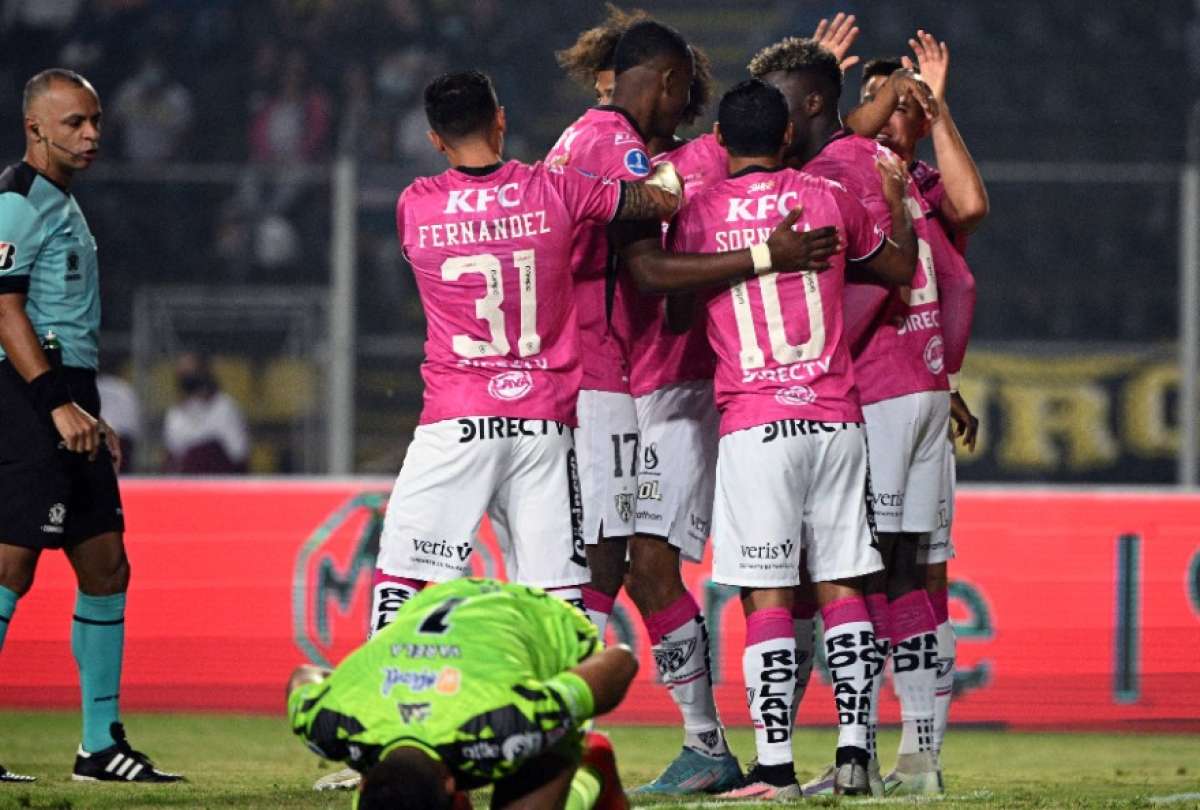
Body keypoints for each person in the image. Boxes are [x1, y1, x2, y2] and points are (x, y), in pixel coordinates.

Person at [666, 78, 914, 800]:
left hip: (756, 424)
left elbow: (679, 313)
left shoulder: (701, 212)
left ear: (717, 142)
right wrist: (896, 199)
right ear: (783, 139)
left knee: (767, 593)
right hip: (836, 418)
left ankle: (774, 768)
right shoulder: (826, 197)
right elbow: (896, 267)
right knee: (843, 583)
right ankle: (856, 755)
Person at [747, 36, 945, 796]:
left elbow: (866, 286)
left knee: (857, 576)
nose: (777, 125)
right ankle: (912, 758)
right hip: (915, 379)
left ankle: (874, 756)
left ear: (815, 107)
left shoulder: (835, 172)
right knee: (895, 574)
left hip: (874, 390)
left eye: (785, 107)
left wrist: (815, 359)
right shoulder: (869, 162)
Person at [0, 68, 181, 783]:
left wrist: (88, 406)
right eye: (75, 122)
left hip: (67, 393)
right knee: (11, 564)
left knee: (106, 565)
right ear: (36, 127)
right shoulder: (15, 202)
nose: (92, 134)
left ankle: (100, 743)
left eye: (96, 121)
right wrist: (54, 403)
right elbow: (5, 312)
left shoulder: (62, 204)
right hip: (25, 394)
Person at [853, 30, 987, 792]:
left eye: (909, 103)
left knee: (917, 577)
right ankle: (864, 752)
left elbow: (974, 203)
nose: (900, 112)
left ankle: (917, 756)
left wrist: (940, 109)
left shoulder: (927, 191)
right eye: (887, 100)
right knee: (868, 578)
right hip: (867, 405)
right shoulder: (848, 181)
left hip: (922, 409)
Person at [289, 578, 638, 810]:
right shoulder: (328, 722)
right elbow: (303, 678)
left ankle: (592, 771)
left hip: (540, 621)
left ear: (454, 786)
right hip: (435, 606)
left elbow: (621, 660)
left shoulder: (510, 722)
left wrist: (570, 706)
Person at [162, 351, 250, 474]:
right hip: (187, 485)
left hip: (220, 483)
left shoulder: (224, 407)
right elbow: (173, 458)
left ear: (203, 371)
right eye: (183, 372)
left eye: (191, 370)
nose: (187, 375)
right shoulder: (175, 414)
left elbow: (239, 455)